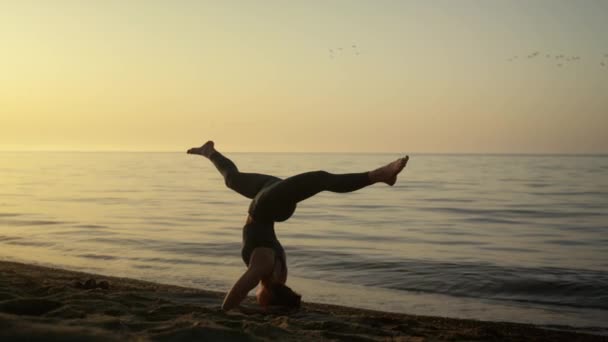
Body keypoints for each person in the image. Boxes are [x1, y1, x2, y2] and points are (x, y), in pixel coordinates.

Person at [187, 141, 409, 311]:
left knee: (232, 180)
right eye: (260, 300)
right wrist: (224, 312)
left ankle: (209, 151)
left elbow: (256, 292)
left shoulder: (279, 274)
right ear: (266, 298)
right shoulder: (264, 271)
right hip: (266, 206)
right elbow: (238, 293)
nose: (255, 297)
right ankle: (379, 175)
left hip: (271, 202)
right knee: (320, 179)